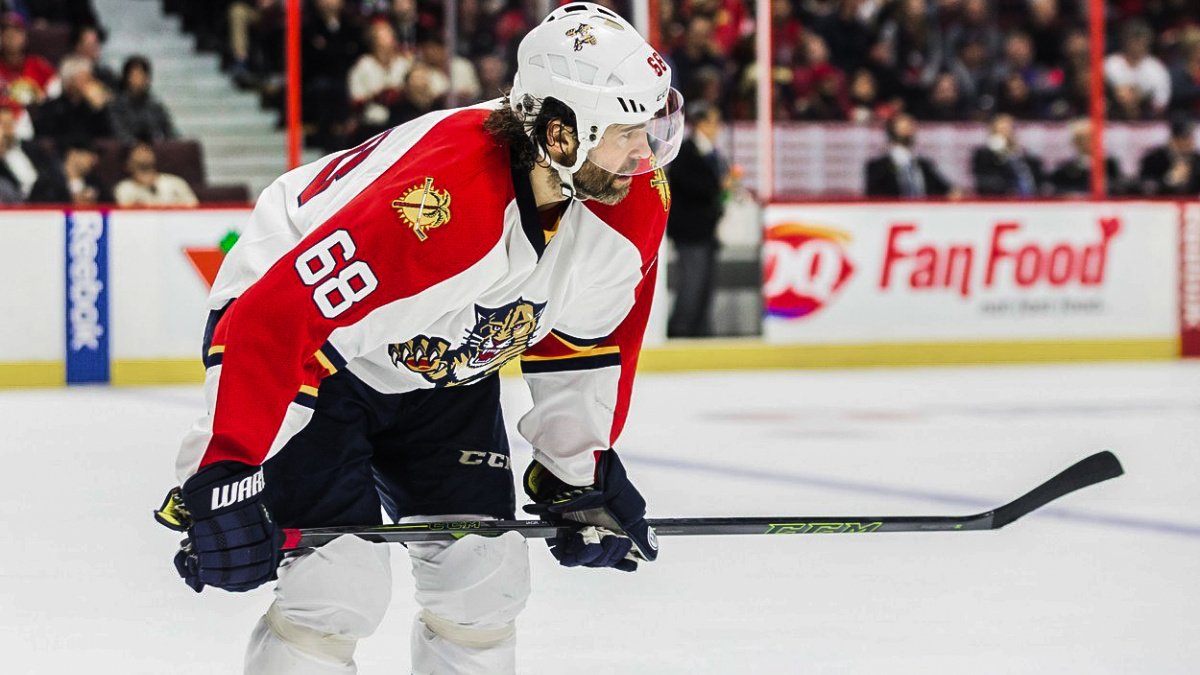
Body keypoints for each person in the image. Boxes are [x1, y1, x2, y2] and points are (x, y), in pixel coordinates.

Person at [153, 4, 683, 674]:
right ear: (559, 134)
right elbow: (274, 318)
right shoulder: (438, 205)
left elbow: (583, 340)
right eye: (628, 132)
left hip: (438, 361)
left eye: (651, 127)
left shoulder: (629, 202)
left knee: (484, 573)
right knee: (337, 581)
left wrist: (575, 475)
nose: (646, 153)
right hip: (314, 348)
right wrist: (223, 472)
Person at [666, 101, 726, 338]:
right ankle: (681, 330)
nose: (717, 127)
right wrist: (718, 186)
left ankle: (700, 331)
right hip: (690, 231)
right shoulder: (686, 150)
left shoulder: (711, 152)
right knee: (692, 283)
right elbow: (687, 183)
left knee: (704, 285)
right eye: (713, 121)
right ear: (700, 123)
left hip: (707, 230)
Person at [32, 54, 112, 151]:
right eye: (86, 78)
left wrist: (99, 109)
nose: (91, 82)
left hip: (92, 155)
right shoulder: (51, 108)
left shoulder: (91, 107)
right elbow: (51, 140)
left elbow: (107, 136)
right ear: (70, 82)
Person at [864, 113, 954, 197]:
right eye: (903, 127)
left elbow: (946, 189)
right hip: (893, 212)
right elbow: (875, 197)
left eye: (910, 126)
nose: (908, 130)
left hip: (923, 211)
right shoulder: (878, 166)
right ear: (892, 131)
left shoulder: (924, 164)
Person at [1104, 19, 1171, 117]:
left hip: (1146, 120)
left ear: (1148, 43)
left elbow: (1162, 102)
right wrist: (1116, 95)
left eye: (1141, 41)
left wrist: (1140, 97)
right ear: (1125, 41)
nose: (1137, 46)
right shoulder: (1109, 65)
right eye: (1134, 41)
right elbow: (1098, 100)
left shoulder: (1157, 69)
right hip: (1112, 117)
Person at [971, 112, 1045, 196]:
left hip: (1029, 196)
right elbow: (984, 178)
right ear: (993, 129)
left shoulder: (1022, 153)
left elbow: (1036, 172)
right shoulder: (984, 154)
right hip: (1001, 197)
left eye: (1009, 127)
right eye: (1002, 127)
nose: (1006, 130)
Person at [109, 55, 178, 144]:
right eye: (135, 75)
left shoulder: (155, 106)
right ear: (126, 77)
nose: (139, 79)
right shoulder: (116, 106)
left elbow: (170, 132)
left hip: (154, 150)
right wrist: (134, 146)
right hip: (126, 152)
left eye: (143, 75)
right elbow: (118, 132)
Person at [1049, 118, 1126, 195]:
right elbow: (1060, 191)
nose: (1087, 142)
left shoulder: (1110, 164)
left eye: (1091, 138)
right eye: (1082, 139)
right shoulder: (1065, 169)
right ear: (1075, 142)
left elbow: (1118, 188)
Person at [0, 99, 56, 202]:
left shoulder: (35, 150)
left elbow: (52, 181)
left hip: (41, 207)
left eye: (9, 125)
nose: (6, 131)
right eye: (2, 125)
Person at [113, 141, 198, 206]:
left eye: (146, 149)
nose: (143, 154)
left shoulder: (175, 182)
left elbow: (195, 209)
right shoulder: (123, 189)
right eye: (137, 152)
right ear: (127, 165)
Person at [28, 137, 109, 204]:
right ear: (73, 154)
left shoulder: (96, 183)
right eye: (89, 154)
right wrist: (71, 201)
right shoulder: (48, 182)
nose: (95, 160)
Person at [1138, 116, 1200, 195]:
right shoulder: (1154, 159)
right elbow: (1144, 187)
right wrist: (1169, 180)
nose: (1188, 142)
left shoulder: (1197, 160)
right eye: (1183, 138)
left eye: (1190, 137)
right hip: (1161, 205)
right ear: (1173, 139)